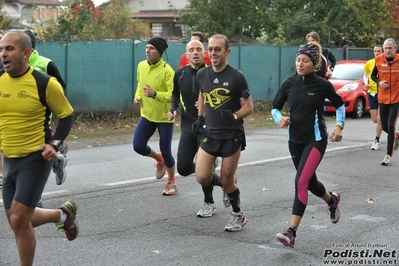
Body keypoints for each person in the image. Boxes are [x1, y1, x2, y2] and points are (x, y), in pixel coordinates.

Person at [0, 31, 78, 266]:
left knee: (19, 218)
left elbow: (66, 116)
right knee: (16, 220)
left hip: (35, 158)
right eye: (1, 49)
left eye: (9, 49)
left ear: (26, 53)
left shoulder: (44, 83)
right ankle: (62, 215)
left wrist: (54, 144)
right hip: (9, 158)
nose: (3, 53)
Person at [272, 42, 345, 248]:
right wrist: (279, 118)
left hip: (316, 140)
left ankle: (291, 232)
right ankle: (332, 200)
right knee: (310, 183)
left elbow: (340, 106)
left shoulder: (322, 85)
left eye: (304, 60)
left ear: (313, 63)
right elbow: (275, 107)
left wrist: (339, 126)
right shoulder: (288, 83)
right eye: (297, 60)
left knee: (301, 182)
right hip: (294, 140)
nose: (300, 63)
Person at [193, 34, 253, 231]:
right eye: (210, 49)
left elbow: (249, 106)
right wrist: (200, 118)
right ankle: (227, 187)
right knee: (201, 176)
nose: (213, 53)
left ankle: (238, 214)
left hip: (232, 135)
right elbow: (202, 94)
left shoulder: (237, 76)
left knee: (227, 180)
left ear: (227, 51)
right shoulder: (202, 74)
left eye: (217, 49)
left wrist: (235, 116)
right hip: (210, 132)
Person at [169, 39, 223, 217]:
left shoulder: (212, 73)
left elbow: (222, 99)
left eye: (199, 49)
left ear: (204, 52)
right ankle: (222, 180)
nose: (195, 53)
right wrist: (173, 110)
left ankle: (209, 203)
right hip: (188, 126)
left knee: (204, 170)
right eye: (191, 50)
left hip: (208, 128)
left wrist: (208, 105)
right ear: (186, 54)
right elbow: (175, 94)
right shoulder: (180, 74)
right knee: (183, 168)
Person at [23, 30, 68, 186]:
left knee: (31, 157)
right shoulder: (11, 65)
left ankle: (35, 203)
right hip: (15, 117)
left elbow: (60, 89)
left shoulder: (46, 64)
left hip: (39, 117)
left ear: (29, 48)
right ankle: (57, 162)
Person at [133, 37, 177, 195]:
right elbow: (140, 84)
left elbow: (173, 95)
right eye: (147, 47)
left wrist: (155, 94)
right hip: (147, 115)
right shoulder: (141, 66)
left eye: (151, 48)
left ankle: (172, 181)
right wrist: (138, 96)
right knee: (138, 146)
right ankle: (159, 160)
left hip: (165, 117)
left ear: (159, 52)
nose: (147, 51)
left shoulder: (168, 71)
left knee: (167, 151)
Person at [371, 38, 399, 166]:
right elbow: (373, 76)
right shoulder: (378, 60)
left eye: (390, 48)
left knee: (391, 125)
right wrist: (379, 82)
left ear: (395, 48)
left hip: (396, 99)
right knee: (384, 126)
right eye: (386, 48)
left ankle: (388, 155)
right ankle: (396, 136)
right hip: (383, 98)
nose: (388, 50)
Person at [364, 45, 383, 150]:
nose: (377, 53)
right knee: (375, 120)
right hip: (372, 92)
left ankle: (377, 140)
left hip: (382, 93)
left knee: (380, 119)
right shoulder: (370, 63)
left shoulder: (385, 63)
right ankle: (389, 126)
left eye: (379, 51)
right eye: (375, 51)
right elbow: (365, 74)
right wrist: (365, 83)